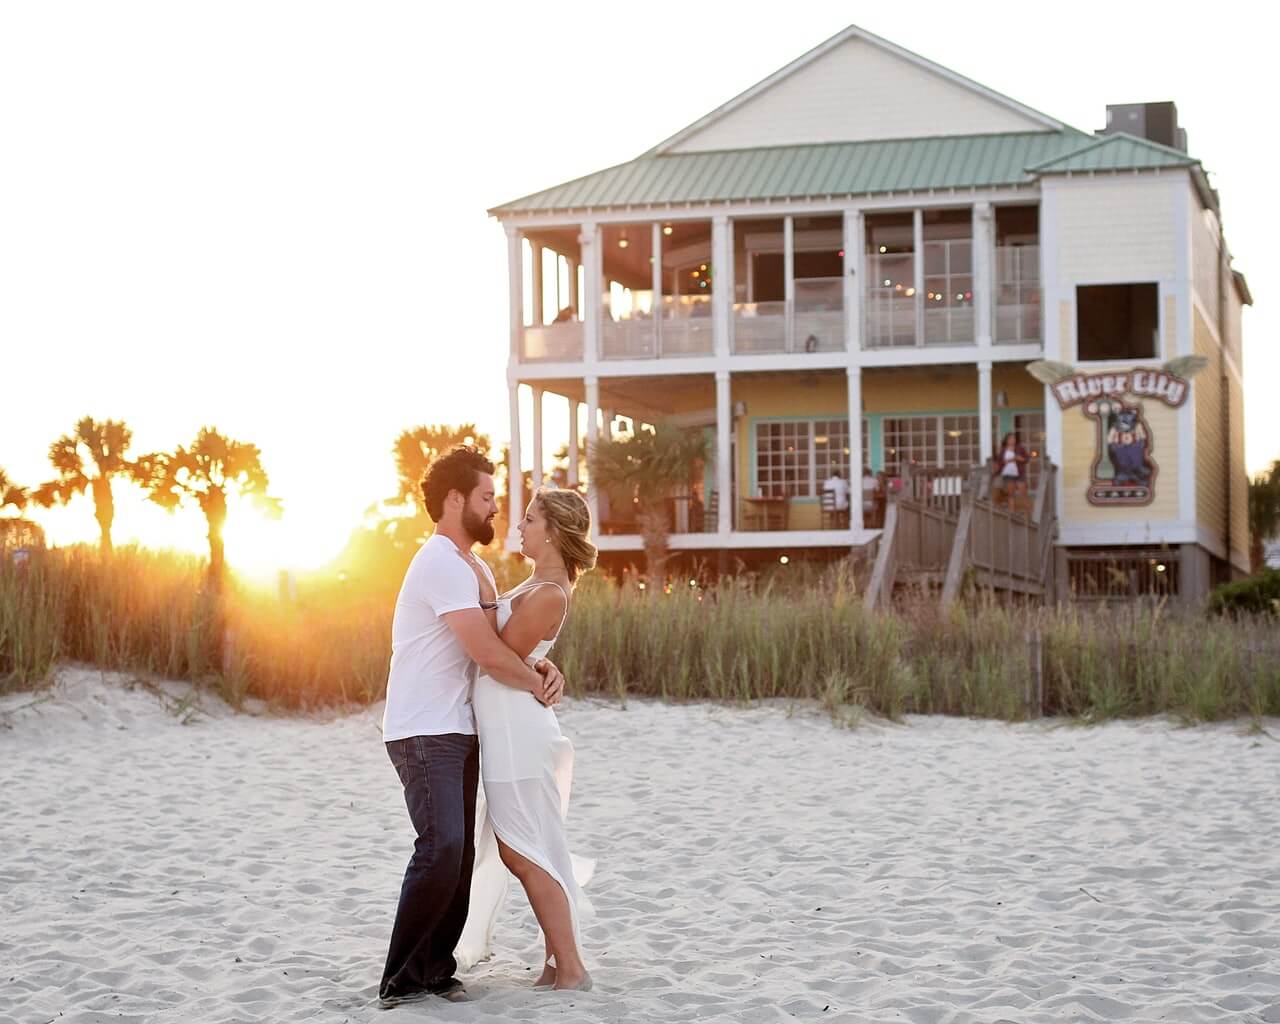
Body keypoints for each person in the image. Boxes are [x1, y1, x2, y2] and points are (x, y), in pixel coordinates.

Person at [378, 447, 566, 1009]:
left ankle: (435, 971)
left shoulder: (474, 566)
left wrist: (541, 664)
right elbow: (485, 652)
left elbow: (507, 644)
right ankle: (401, 980)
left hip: (458, 726)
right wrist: (534, 683)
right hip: (422, 728)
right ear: (455, 500)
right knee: (442, 847)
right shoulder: (437, 560)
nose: (495, 508)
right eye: (487, 496)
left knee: (457, 856)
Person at [456, 488, 598, 992]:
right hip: (508, 727)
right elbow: (519, 654)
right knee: (529, 846)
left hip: (518, 731)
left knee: (523, 851)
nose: (520, 525)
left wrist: (535, 668)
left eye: (531, 519)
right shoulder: (536, 585)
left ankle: (572, 967)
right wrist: (541, 664)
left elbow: (497, 656)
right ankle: (557, 963)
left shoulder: (549, 593)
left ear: (555, 531)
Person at [993, 432, 1030, 514]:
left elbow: (1027, 459)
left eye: (1014, 438)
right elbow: (999, 462)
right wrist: (1007, 461)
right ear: (1006, 440)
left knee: (1023, 492)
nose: (1012, 440)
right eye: (1010, 438)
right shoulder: (1003, 450)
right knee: (1011, 494)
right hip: (1008, 474)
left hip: (1019, 473)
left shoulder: (1020, 448)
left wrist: (1019, 459)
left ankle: (1029, 512)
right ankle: (1012, 513)